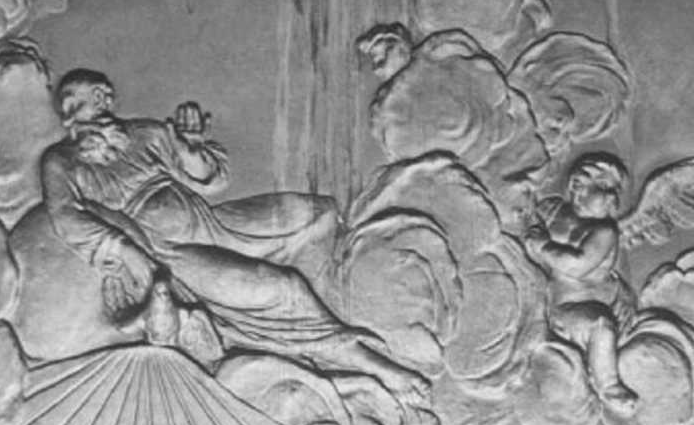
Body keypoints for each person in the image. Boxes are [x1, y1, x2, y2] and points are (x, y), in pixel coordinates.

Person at [39, 68, 429, 401]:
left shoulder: (145, 134)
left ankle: (326, 318)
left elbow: (209, 177)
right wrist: (126, 251)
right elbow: (66, 217)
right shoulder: (63, 162)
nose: (73, 115)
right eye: (70, 107)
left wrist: (190, 147)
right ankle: (376, 367)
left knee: (318, 214)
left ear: (105, 98)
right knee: (286, 289)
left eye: (83, 101)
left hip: (216, 225)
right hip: (170, 255)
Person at [524, 152, 638, 414]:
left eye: (615, 191)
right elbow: (529, 232)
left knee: (601, 325)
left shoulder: (604, 231)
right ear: (577, 186)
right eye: (605, 188)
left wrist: (543, 246)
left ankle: (608, 385)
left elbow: (577, 266)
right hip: (560, 311)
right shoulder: (555, 213)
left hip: (591, 314)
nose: (613, 198)